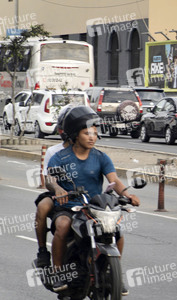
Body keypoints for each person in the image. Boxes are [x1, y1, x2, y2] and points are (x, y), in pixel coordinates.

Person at [46, 106, 140, 295]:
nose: (92, 137)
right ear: (75, 135)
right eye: (87, 133)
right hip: (68, 206)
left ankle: (115, 272)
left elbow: (114, 180)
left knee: (117, 232)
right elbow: (50, 179)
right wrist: (58, 189)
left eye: (95, 134)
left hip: (94, 207)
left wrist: (128, 194)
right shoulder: (60, 157)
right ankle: (57, 272)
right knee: (63, 226)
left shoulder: (101, 157)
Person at [34, 105, 72, 268]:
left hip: (84, 196)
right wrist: (57, 189)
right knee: (42, 207)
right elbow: (48, 178)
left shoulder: (93, 153)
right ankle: (43, 251)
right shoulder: (53, 152)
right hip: (58, 194)